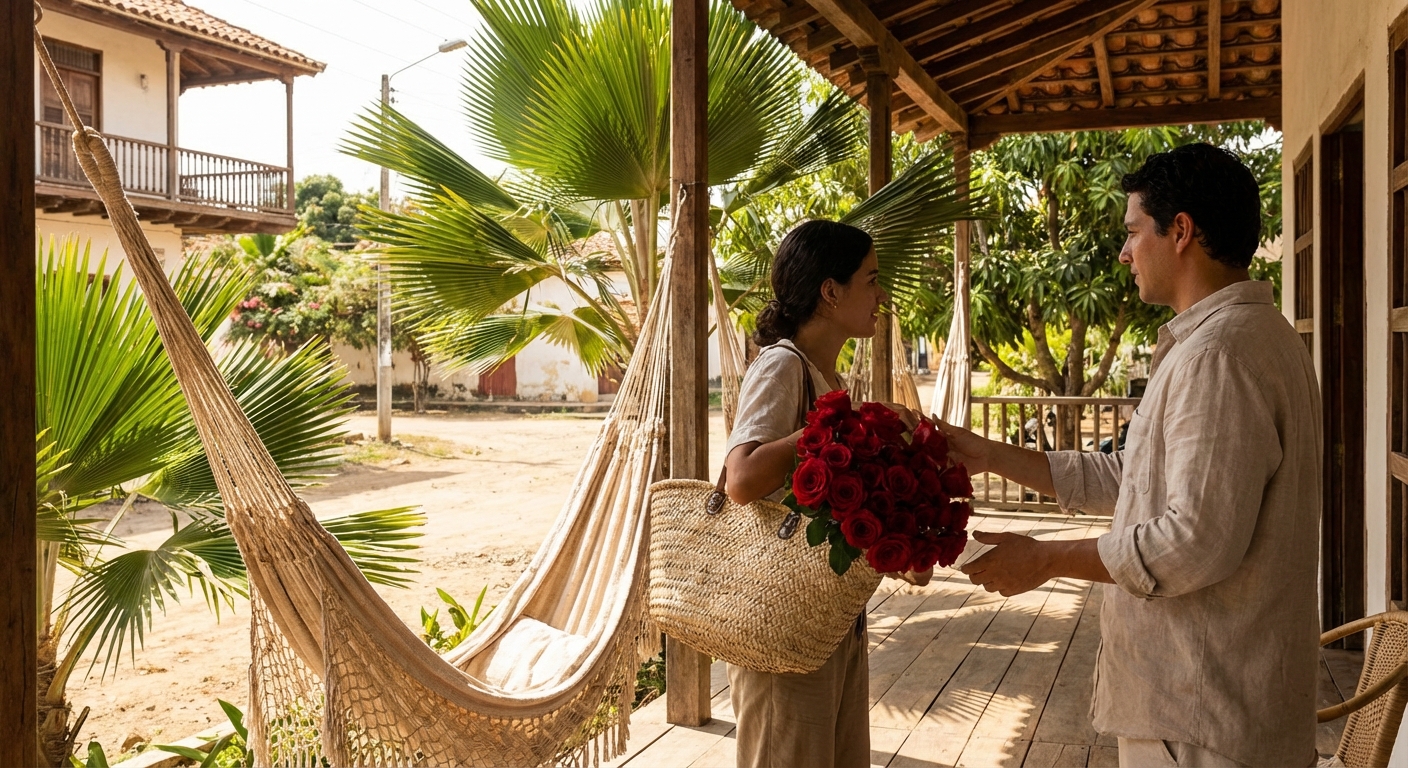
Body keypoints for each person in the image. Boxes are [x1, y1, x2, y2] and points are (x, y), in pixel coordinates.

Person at [935, 144, 1321, 767]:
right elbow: (1132, 475)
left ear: (1181, 232)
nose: (1123, 252)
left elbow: (1193, 541)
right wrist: (988, 453)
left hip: (1200, 714)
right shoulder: (1241, 339)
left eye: (1133, 231)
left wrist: (1045, 558)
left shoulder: (1218, 357)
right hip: (1210, 705)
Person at [722, 219, 889, 768]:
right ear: (830, 291)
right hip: (782, 628)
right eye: (871, 280)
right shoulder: (781, 364)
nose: (881, 296)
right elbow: (741, 478)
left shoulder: (825, 377)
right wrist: (836, 426)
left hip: (828, 619)